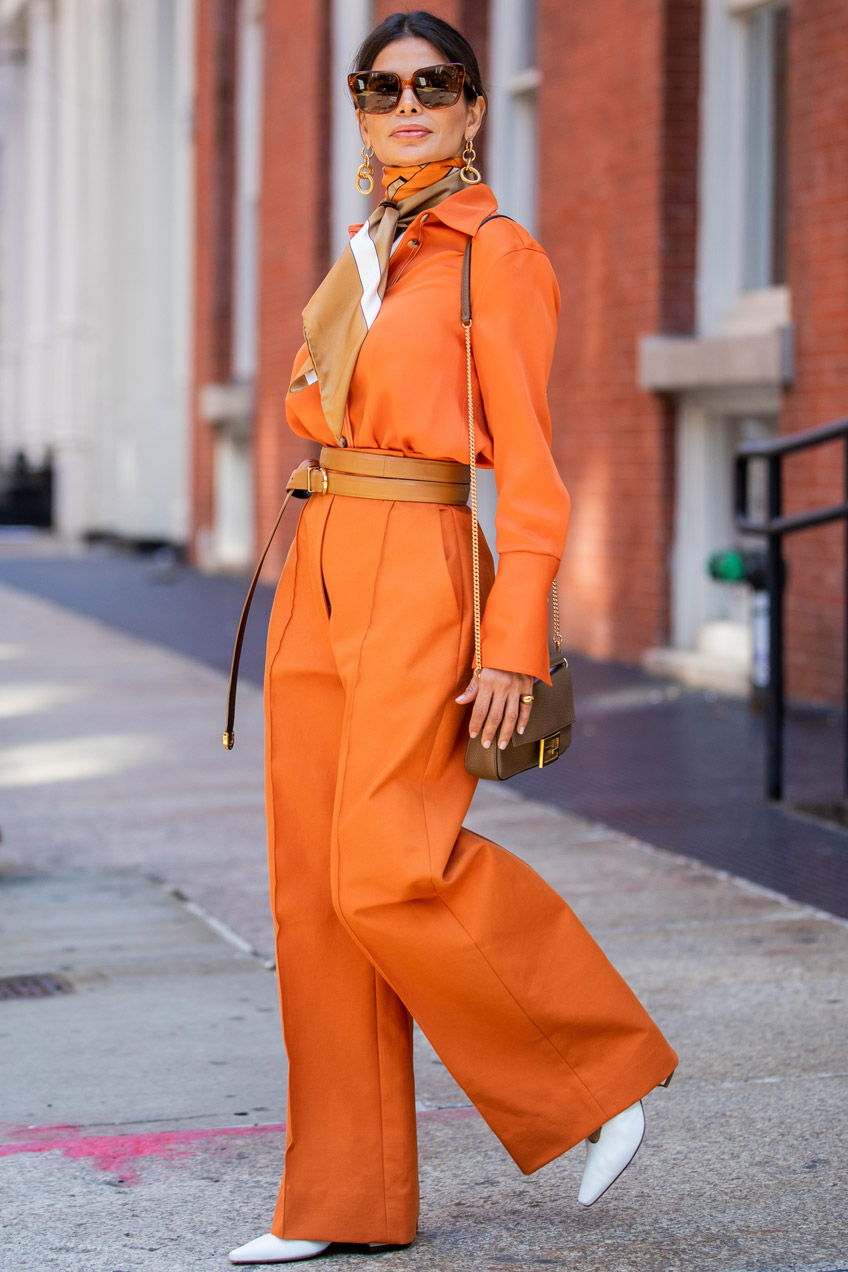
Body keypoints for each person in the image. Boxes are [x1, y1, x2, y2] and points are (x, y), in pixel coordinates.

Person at [228, 10, 677, 1265]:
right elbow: (319, 408)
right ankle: (340, 1203)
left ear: (476, 108)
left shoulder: (499, 258)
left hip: (422, 572)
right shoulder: (372, 252)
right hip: (317, 560)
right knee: (317, 893)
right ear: (362, 114)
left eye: (435, 84)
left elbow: (531, 478)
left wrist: (511, 642)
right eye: (381, 89)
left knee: (389, 866)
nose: (407, 104)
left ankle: (600, 1066)